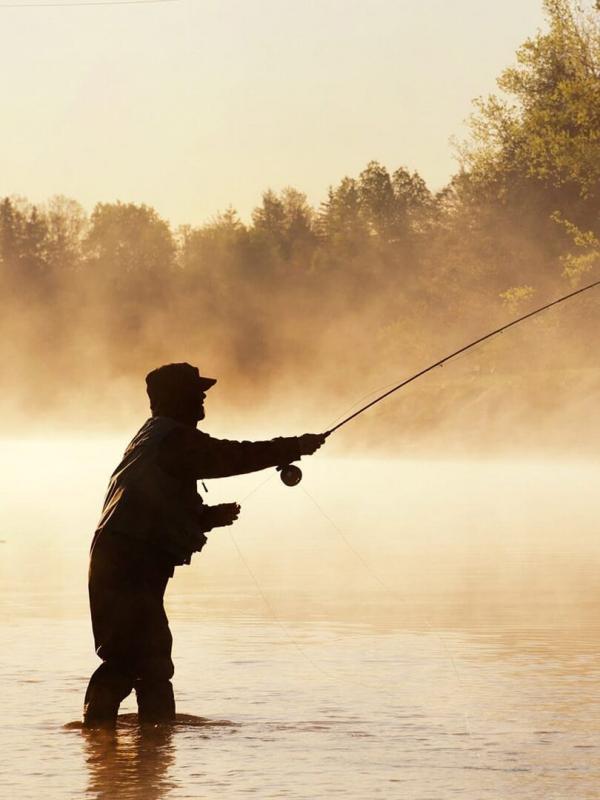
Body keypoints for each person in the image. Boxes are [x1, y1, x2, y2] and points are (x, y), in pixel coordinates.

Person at [83, 362, 327, 728]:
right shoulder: (174, 439)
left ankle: (141, 746)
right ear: (174, 398)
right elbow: (230, 456)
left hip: (122, 558)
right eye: (195, 392)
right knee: (133, 657)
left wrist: (206, 517)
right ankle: (111, 741)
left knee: (146, 659)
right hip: (129, 561)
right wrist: (291, 447)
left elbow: (153, 503)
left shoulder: (153, 437)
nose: (202, 399)